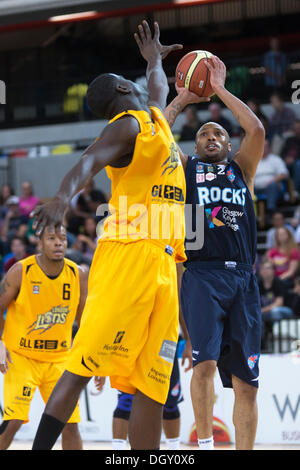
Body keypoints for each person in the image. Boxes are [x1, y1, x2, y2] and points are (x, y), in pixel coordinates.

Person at [30, 21, 187, 451]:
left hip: (164, 262)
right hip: (128, 256)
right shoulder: (125, 126)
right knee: (81, 366)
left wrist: (155, 60)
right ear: (121, 92)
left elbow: (157, 89)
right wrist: (62, 196)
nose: (136, 83)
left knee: (153, 384)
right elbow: (88, 161)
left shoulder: (154, 118)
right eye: (127, 80)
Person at [165, 55, 265, 450]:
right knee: (203, 364)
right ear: (195, 144)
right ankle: (204, 445)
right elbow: (158, 137)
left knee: (247, 383)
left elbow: (254, 128)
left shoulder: (243, 170)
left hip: (242, 276)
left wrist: (219, 90)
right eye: (204, 133)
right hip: (201, 275)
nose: (211, 137)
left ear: (228, 144)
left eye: (219, 134)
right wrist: (182, 101)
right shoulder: (185, 168)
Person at [0, 224, 88, 449]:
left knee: (70, 424)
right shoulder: (21, 270)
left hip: (59, 358)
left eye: (62, 239)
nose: (58, 242)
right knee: (14, 421)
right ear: (40, 243)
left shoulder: (78, 274)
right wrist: (0, 343)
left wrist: (92, 359)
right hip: (21, 358)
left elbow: (86, 321)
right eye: (51, 238)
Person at [254, 139, 289, 213]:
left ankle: (271, 211)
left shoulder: (276, 159)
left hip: (271, 186)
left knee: (272, 185)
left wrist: (272, 180)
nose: (263, 148)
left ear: (269, 148)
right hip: (256, 187)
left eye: (265, 146)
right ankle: (250, 214)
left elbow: (284, 174)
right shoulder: (254, 160)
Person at [281, 120, 300, 193]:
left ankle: (294, 191)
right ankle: (285, 193)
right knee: (279, 166)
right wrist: (285, 158)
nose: (297, 130)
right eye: (295, 128)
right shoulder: (289, 140)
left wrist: (294, 159)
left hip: (297, 161)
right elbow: (282, 152)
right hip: (287, 161)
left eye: (298, 128)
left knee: (298, 165)